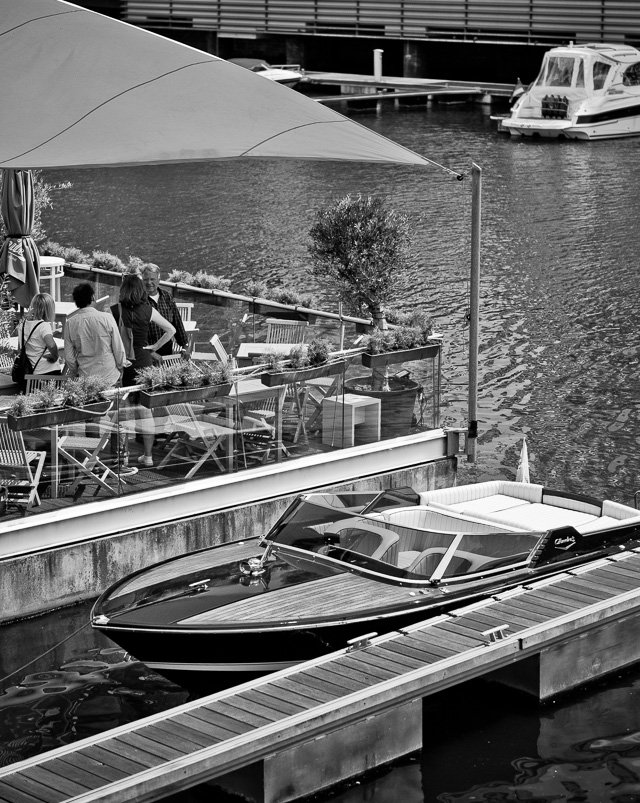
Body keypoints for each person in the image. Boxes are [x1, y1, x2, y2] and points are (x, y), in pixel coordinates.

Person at [112, 272, 175, 467]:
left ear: (124, 290)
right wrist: (155, 347)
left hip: (125, 365)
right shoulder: (149, 310)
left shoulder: (115, 310)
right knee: (145, 412)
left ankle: (122, 457)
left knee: (123, 412)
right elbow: (171, 330)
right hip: (144, 363)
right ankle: (148, 456)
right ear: (140, 290)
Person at [64, 282, 127, 387]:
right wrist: (121, 367)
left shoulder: (70, 323)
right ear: (93, 297)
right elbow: (118, 348)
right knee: (112, 403)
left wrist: (76, 371)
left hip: (85, 377)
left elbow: (69, 357)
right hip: (109, 375)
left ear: (76, 302)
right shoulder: (107, 318)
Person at [141, 263, 188, 358]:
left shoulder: (167, 297)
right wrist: (151, 353)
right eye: (146, 279)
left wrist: (184, 346)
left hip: (167, 350)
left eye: (152, 279)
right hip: (146, 353)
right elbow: (134, 333)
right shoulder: (139, 300)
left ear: (159, 280)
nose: (149, 282)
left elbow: (177, 322)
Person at [20, 293, 64, 378]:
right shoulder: (44, 326)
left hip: (31, 371)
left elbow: (21, 348)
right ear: (49, 309)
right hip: (48, 370)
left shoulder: (22, 325)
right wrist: (55, 357)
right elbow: (51, 345)